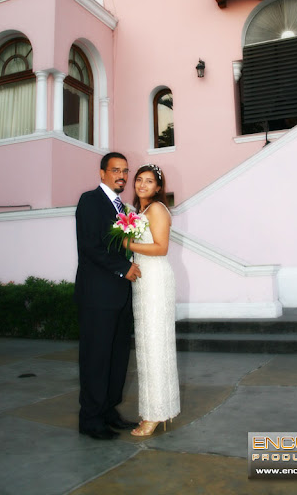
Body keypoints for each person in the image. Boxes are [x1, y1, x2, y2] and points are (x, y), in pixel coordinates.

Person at [74, 152, 141, 440]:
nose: (122, 176)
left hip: (121, 296)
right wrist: (123, 267)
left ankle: (109, 410)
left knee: (117, 358)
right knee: (96, 358)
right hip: (97, 296)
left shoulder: (123, 208)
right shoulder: (90, 201)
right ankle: (90, 418)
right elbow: (90, 246)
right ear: (102, 173)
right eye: (115, 170)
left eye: (125, 171)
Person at [124, 164, 180, 437]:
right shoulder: (140, 212)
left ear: (158, 187)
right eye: (139, 180)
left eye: (149, 181)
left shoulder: (157, 209)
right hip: (144, 281)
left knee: (155, 345)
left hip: (156, 280)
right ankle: (158, 410)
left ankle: (155, 414)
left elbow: (161, 247)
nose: (143, 185)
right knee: (148, 345)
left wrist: (127, 244)